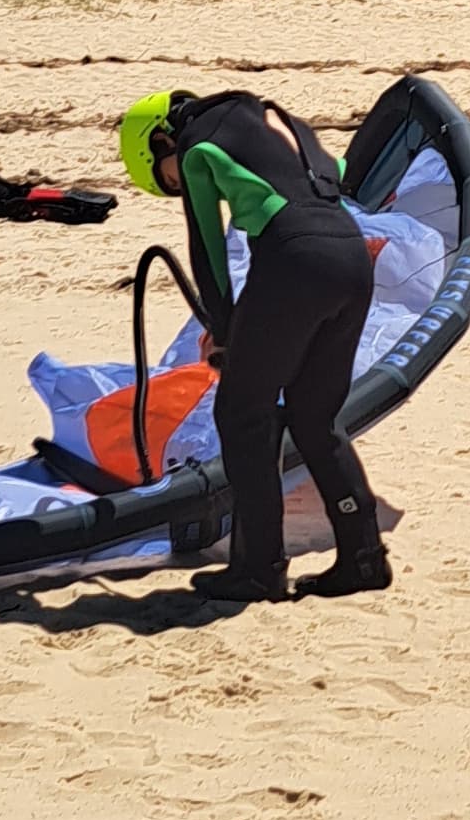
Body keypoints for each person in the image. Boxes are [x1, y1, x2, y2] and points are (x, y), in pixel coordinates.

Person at [117, 88, 392, 606]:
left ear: (162, 138)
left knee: (244, 414)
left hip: (295, 260)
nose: (178, 187)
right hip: (352, 259)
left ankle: (258, 568)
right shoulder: (283, 122)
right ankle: (363, 556)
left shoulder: (200, 144)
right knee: (316, 418)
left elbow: (207, 249)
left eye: (168, 179)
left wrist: (223, 328)